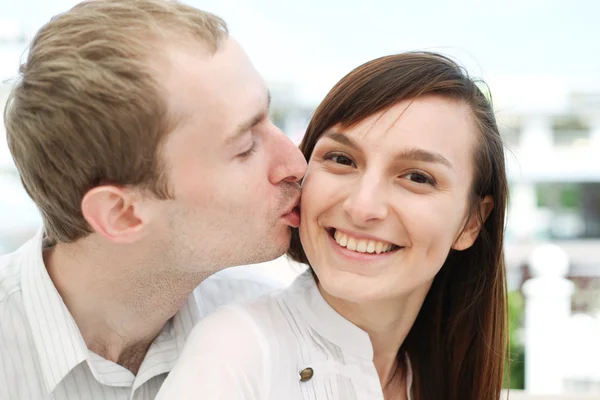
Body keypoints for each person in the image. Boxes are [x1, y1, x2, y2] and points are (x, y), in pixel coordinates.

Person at [157, 51, 509, 400]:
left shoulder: (440, 377)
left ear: (472, 222)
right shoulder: (237, 352)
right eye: (342, 159)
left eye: (417, 177)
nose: (362, 207)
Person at [0, 0, 307, 398]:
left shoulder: (276, 324)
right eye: (246, 146)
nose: (296, 163)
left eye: (273, 119)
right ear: (122, 214)